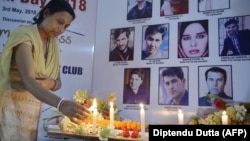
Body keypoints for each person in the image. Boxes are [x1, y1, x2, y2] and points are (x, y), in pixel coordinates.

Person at [0, 0, 90, 140]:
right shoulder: (25, 36)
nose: (61, 29)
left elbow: (58, 82)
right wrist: (61, 104)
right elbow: (29, 81)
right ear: (46, 13)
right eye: (59, 21)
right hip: (10, 107)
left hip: (33, 112)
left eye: (66, 26)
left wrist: (50, 83)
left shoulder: (53, 45)